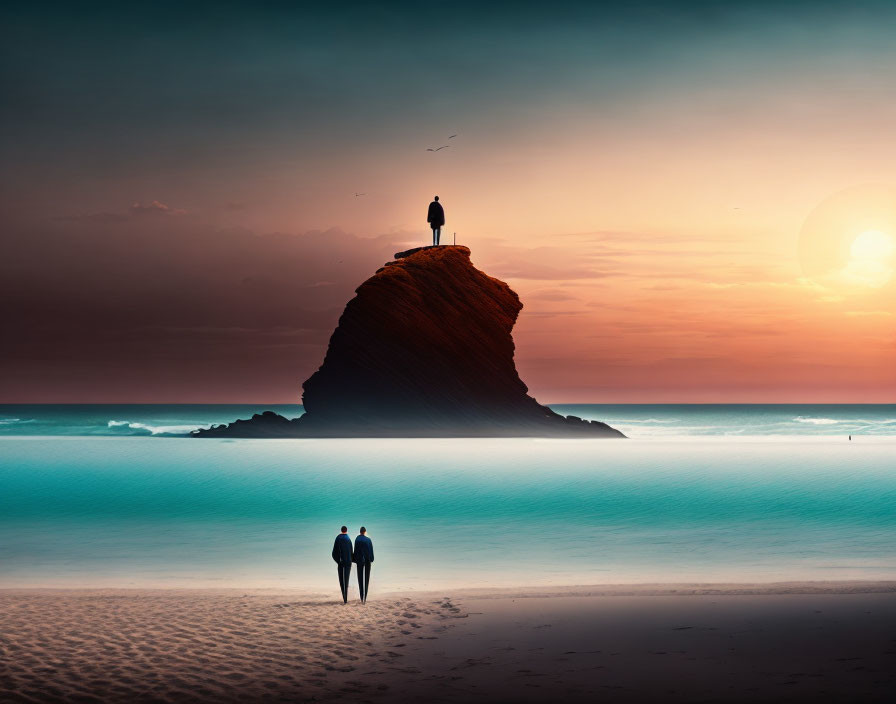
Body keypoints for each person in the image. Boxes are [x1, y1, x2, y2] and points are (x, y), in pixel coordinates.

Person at [331, 525, 353, 604]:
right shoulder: (348, 539)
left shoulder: (338, 538)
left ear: (341, 530)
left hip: (341, 563)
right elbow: (351, 551)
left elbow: (333, 553)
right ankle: (346, 599)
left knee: (341, 580)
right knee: (346, 580)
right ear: (346, 530)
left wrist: (338, 561)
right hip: (348, 562)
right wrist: (352, 560)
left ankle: (344, 597)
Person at [353, 527, 374, 604]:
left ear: (360, 532)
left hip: (359, 561)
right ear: (365, 532)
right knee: (366, 579)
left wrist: (354, 559)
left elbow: (355, 550)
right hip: (367, 560)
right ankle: (365, 598)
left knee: (360, 579)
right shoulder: (368, 540)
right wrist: (371, 559)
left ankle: (361, 597)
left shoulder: (357, 539)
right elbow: (371, 550)